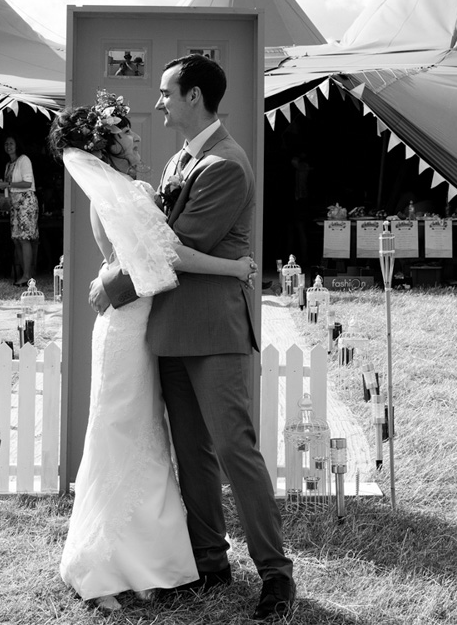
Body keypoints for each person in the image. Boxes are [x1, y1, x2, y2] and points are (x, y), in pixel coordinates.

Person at [91, 54, 296, 621]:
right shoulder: (183, 158)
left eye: (165, 93)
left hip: (213, 331)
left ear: (194, 97)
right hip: (170, 332)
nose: (156, 103)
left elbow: (165, 251)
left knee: (235, 450)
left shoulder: (226, 164)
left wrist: (110, 285)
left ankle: (276, 575)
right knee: (192, 452)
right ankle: (209, 561)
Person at [51, 91, 257, 613]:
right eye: (125, 131)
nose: (138, 134)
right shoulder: (124, 193)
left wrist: (108, 279)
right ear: (108, 147)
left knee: (145, 438)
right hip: (131, 328)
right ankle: (98, 566)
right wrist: (235, 269)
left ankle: (138, 561)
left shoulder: (133, 186)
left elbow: (135, 261)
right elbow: (168, 256)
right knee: (121, 434)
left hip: (144, 326)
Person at [0, 136, 38, 286]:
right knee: (17, 239)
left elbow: (27, 183)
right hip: (15, 204)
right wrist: (1, 185)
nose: (8, 146)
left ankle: (28, 275)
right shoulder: (9, 165)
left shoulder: (24, 160)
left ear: (17, 145)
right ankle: (25, 276)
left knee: (24, 238)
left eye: (11, 143)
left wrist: (7, 184)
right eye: (6, 143)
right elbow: (9, 186)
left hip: (26, 202)